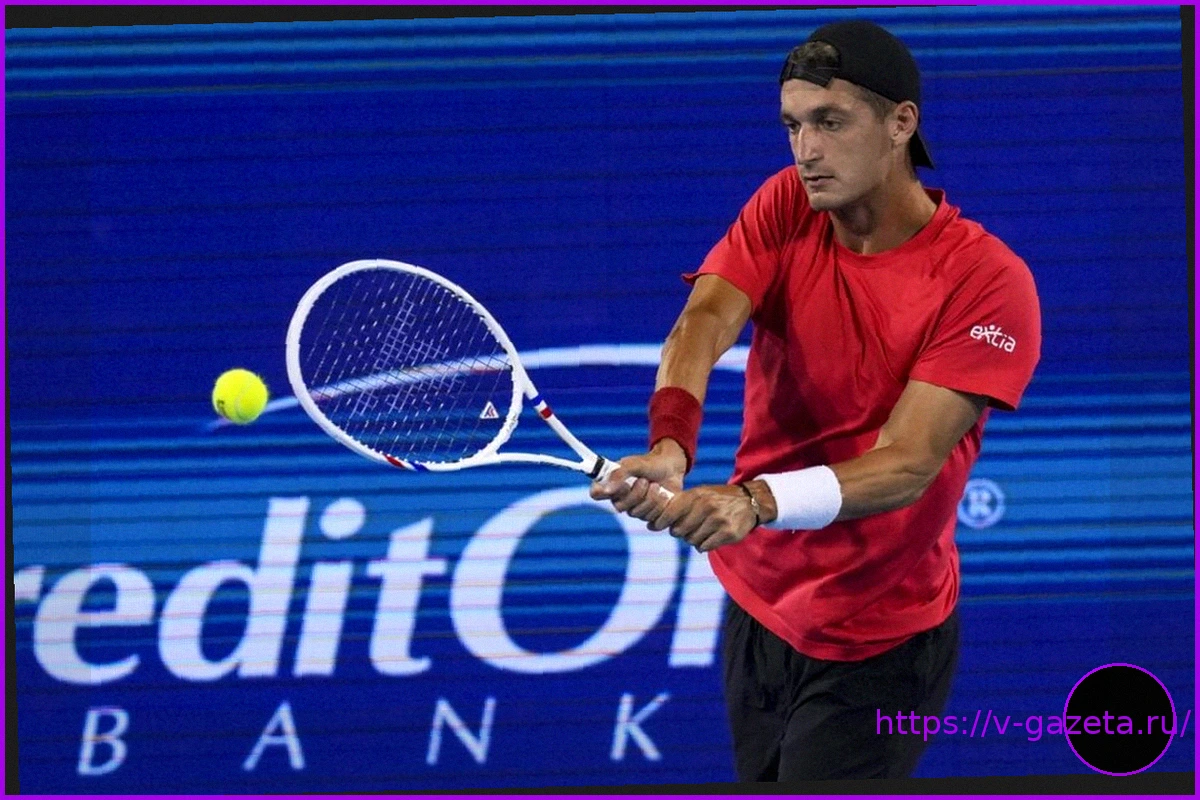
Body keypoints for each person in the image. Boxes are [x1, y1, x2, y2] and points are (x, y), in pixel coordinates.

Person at [591, 19, 1042, 781]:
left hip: (881, 638)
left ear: (901, 123)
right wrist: (672, 442)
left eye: (830, 123)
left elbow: (907, 465)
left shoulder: (987, 282)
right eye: (793, 125)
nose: (805, 150)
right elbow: (704, 320)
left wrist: (753, 502)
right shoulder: (786, 204)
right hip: (761, 605)